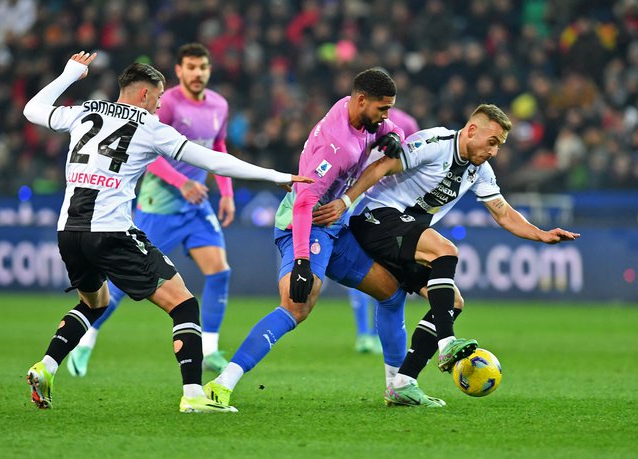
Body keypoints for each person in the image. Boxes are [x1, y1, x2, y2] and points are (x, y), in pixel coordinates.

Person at [22, 51, 312, 413]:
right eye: (158, 98)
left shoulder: (84, 111)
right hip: (111, 231)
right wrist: (278, 176)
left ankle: (45, 366)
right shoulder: (149, 126)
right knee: (185, 304)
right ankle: (193, 396)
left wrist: (69, 74)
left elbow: (32, 110)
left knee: (93, 303)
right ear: (144, 95)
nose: (160, 106)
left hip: (68, 230)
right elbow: (214, 160)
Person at [204, 69, 460, 411]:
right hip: (305, 226)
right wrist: (301, 261)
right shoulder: (335, 147)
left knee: (392, 292)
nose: (386, 117)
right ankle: (221, 385)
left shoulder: (360, 113)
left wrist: (395, 135)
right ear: (361, 101)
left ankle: (399, 386)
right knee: (297, 306)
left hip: (336, 226)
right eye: (383, 110)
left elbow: (391, 128)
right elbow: (304, 203)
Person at [313, 103, 580, 405]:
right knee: (445, 250)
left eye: (499, 146)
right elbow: (382, 166)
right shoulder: (435, 143)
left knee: (453, 301)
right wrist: (347, 201)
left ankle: (403, 383)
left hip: (403, 231)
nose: (494, 151)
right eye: (492, 142)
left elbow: (503, 213)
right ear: (471, 130)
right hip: (376, 217)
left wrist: (541, 234)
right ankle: (447, 342)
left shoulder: (479, 170)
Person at [67, 43, 234, 378]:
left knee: (219, 271)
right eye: (190, 67)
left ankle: (210, 349)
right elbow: (148, 151)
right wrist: (181, 183)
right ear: (179, 70)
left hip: (196, 206)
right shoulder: (166, 103)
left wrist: (226, 192)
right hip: (160, 205)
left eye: (203, 67)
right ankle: (86, 341)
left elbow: (218, 147)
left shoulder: (219, 104)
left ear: (209, 69)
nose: (197, 73)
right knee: (119, 286)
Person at [348, 106, 420, 354]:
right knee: (365, 266)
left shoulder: (402, 123)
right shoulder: (366, 118)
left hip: (384, 200)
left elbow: (414, 160)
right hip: (360, 194)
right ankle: (365, 334)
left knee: (376, 268)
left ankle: (372, 335)